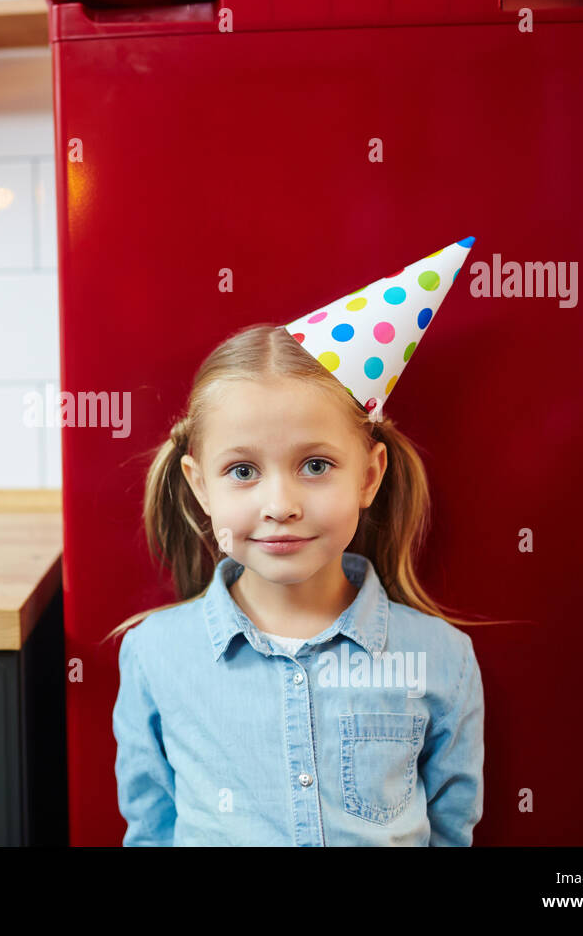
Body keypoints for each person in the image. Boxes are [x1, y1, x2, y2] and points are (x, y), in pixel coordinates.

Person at [109, 239, 488, 845]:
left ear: (368, 476)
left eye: (315, 465)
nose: (280, 504)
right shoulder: (154, 657)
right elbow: (150, 829)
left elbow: (452, 829)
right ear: (200, 487)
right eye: (242, 471)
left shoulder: (442, 661)